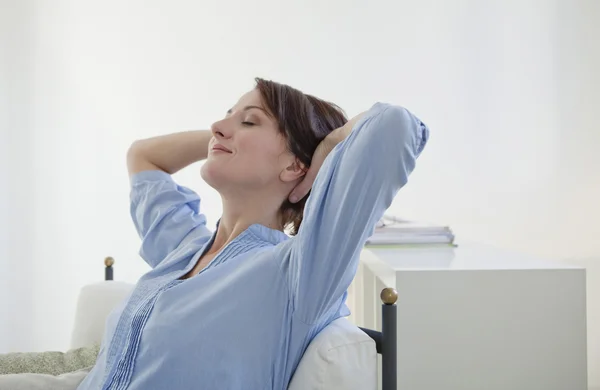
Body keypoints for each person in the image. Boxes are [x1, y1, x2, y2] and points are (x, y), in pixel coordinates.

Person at [76, 78, 429, 390]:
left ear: (294, 166)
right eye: (227, 117)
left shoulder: (298, 275)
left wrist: (328, 144)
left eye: (249, 120)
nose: (217, 125)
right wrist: (224, 137)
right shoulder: (182, 246)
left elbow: (396, 126)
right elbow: (143, 156)